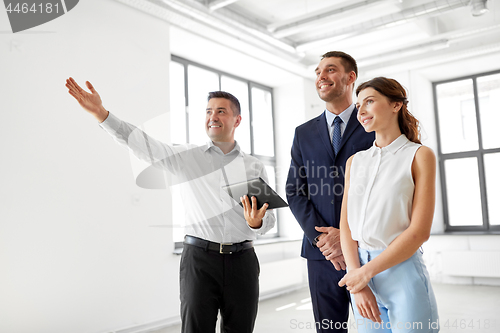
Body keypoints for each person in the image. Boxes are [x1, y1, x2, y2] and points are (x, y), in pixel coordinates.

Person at [65, 77, 276, 333]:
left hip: (243, 261)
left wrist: (257, 222)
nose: (213, 116)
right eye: (209, 111)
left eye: (221, 111)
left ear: (237, 120)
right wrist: (102, 114)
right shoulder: (187, 157)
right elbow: (143, 145)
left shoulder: (252, 166)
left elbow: (268, 219)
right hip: (200, 261)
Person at [338, 77, 439, 332]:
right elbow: (346, 225)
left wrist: (364, 274)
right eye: (358, 105)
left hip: (401, 270)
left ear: (396, 105)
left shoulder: (419, 155)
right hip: (359, 270)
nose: (360, 111)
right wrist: (357, 277)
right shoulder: (355, 162)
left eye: (369, 102)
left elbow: (419, 232)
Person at [286, 51, 375, 332]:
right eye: (317, 72)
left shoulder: (374, 124)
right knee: (329, 329)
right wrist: (323, 239)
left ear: (351, 77)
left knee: (377, 325)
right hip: (321, 254)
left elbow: (383, 191)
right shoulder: (303, 133)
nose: (321, 77)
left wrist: (346, 238)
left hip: (368, 251)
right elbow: (294, 190)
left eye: (330, 70)